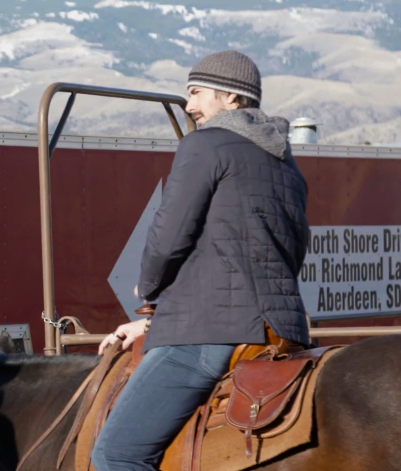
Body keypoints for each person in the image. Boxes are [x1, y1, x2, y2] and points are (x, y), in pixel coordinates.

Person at [91, 50, 310, 471]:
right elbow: (287, 253)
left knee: (116, 454)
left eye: (196, 93)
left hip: (211, 331)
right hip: (282, 330)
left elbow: (169, 236)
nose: (189, 106)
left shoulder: (204, 145)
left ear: (230, 97)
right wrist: (150, 324)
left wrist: (150, 293)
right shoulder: (284, 160)